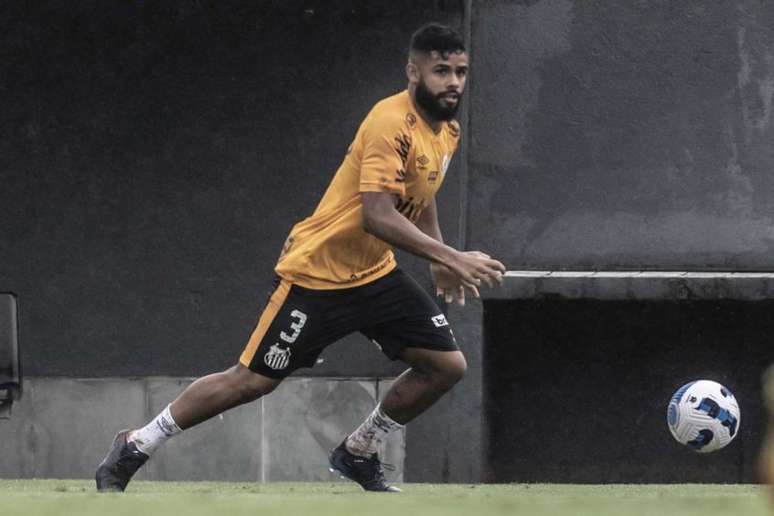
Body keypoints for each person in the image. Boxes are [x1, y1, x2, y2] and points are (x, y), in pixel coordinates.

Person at [95, 22, 505, 493]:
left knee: (446, 367)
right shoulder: (389, 121)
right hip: (318, 276)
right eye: (441, 71)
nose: (453, 82)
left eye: (461, 71)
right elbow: (377, 215)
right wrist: (452, 255)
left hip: (375, 274)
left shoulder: (447, 128)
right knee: (250, 382)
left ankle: (359, 450)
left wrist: (436, 259)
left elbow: (421, 191)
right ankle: (135, 444)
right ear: (413, 71)